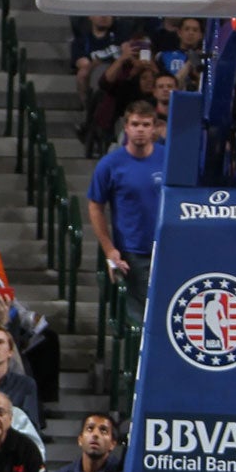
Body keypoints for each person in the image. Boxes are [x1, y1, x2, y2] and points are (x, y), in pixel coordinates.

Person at [87, 102, 164, 322]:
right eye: (135, 124)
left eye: (146, 124)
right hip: (133, 252)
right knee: (139, 320)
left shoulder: (169, 159)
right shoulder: (110, 165)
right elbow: (95, 206)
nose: (140, 129)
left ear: (155, 128)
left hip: (167, 250)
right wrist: (109, 249)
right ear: (126, 127)